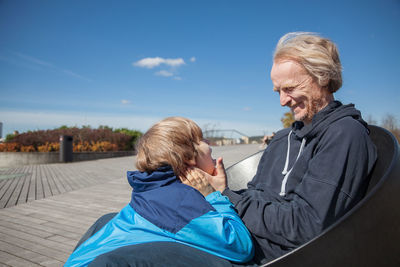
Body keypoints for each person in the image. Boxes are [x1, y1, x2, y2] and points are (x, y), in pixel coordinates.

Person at [185, 32, 377, 264]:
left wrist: (225, 197)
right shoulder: (283, 139)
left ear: (323, 77)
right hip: (237, 242)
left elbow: (305, 224)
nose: (283, 101)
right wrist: (220, 191)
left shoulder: (344, 134)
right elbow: (256, 194)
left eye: (290, 88)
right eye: (278, 92)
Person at [64, 117, 254, 267]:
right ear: (188, 156)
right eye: (201, 139)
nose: (208, 142)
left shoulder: (154, 188)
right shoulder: (180, 201)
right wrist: (216, 195)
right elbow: (240, 246)